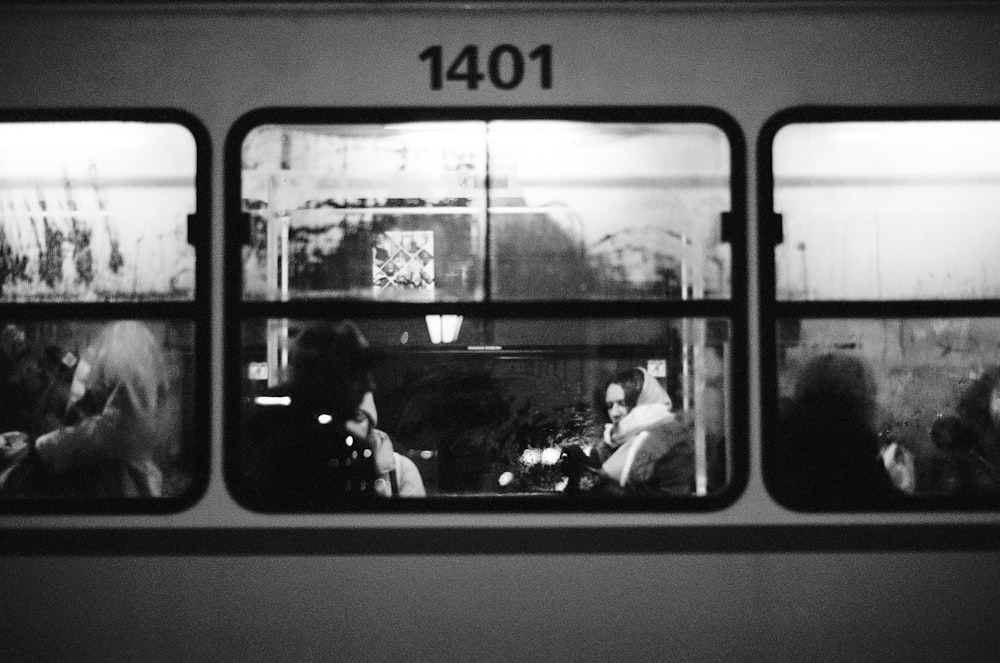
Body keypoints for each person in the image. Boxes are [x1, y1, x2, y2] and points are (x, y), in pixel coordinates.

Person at [243, 320, 424, 509]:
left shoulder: (275, 442)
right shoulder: (340, 449)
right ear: (330, 379)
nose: (369, 385)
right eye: (358, 375)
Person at [29, 321, 176, 498]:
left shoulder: (128, 387)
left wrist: (42, 445)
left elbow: (105, 433)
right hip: (134, 473)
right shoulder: (148, 383)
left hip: (120, 482)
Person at [770, 353, 898, 509]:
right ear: (861, 396)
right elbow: (881, 501)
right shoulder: (852, 444)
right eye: (872, 393)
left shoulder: (783, 433)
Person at [587, 366, 694, 495]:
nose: (614, 413)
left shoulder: (672, 442)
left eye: (623, 403)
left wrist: (608, 487)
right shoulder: (607, 446)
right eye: (610, 406)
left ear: (645, 401)